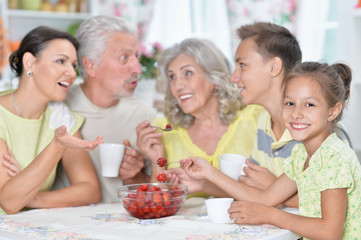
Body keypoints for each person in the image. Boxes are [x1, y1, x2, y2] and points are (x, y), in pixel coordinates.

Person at [207, 62, 359, 239]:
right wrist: (207, 172)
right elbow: (265, 198)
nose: (296, 113)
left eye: (309, 105)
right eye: (290, 103)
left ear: (333, 111)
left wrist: (268, 215)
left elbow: (330, 232)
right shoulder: (302, 154)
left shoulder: (334, 157)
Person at [136, 38, 263, 192]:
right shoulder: (164, 131)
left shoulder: (256, 118)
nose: (178, 86)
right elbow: (159, 202)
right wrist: (157, 161)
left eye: (188, 73)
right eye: (172, 77)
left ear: (214, 78)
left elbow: (269, 195)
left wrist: (205, 185)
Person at [0, 26, 102, 215]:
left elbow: (89, 190)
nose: (72, 74)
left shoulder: (59, 115)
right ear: (30, 62)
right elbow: (10, 202)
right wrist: (56, 146)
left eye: (73, 65)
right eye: (61, 61)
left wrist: (32, 196)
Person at [52, 15, 155, 203]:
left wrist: (136, 177)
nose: (138, 69)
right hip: (66, 224)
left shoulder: (144, 115)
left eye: (137, 57)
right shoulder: (59, 107)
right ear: (90, 65)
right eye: (124, 58)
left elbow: (158, 187)